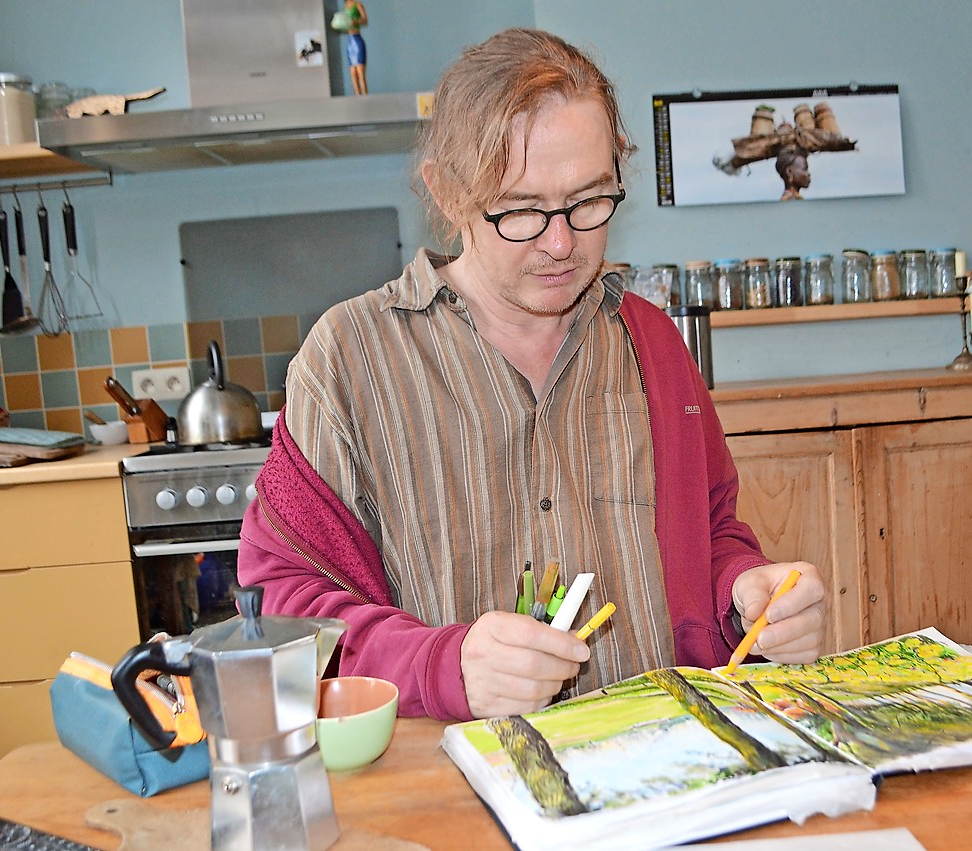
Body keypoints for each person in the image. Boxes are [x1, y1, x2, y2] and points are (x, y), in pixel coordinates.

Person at [238, 27, 826, 722]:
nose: (560, 243)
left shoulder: (654, 344)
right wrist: (444, 665)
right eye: (520, 209)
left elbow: (714, 533)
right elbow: (284, 612)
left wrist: (748, 593)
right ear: (449, 194)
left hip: (667, 774)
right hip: (458, 794)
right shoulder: (347, 360)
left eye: (588, 202)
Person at [342, 0, 369, 95]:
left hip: (357, 39)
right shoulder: (345, 7)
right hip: (350, 41)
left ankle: (365, 96)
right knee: (353, 72)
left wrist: (355, 21)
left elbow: (365, 20)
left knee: (360, 71)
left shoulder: (358, 4)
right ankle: (357, 96)